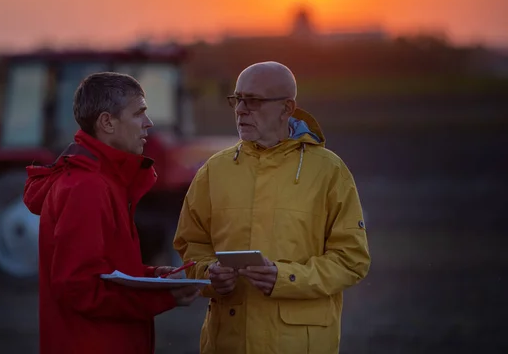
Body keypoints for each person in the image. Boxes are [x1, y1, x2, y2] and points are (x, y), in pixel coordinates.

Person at [173, 61, 371, 354]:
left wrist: (286, 278)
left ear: (287, 108)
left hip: (299, 344)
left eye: (252, 100)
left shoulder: (330, 171)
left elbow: (351, 260)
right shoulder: (214, 170)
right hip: (227, 342)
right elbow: (192, 245)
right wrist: (209, 273)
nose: (240, 110)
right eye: (237, 99)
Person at [23, 72, 201, 354]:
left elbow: (108, 272)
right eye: (139, 113)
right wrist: (162, 297)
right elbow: (81, 288)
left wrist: (154, 279)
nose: (148, 123)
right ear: (107, 122)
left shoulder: (108, 181)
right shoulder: (87, 188)